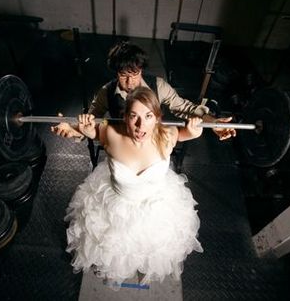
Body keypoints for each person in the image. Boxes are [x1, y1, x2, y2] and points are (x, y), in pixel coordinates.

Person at [64, 86, 204, 288]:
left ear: (157, 117)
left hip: (157, 206)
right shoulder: (110, 134)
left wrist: (193, 131)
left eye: (148, 116)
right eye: (133, 116)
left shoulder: (168, 135)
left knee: (151, 246)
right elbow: (91, 131)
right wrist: (82, 129)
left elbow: (186, 133)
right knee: (115, 248)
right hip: (115, 208)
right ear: (125, 117)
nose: (140, 125)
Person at [52, 41, 236, 141]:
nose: (130, 81)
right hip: (121, 141)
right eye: (124, 75)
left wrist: (213, 122)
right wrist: (75, 129)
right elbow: (90, 120)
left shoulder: (159, 85)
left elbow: (186, 108)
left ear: (141, 70)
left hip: (152, 139)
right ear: (116, 72)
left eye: (135, 74)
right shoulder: (106, 92)